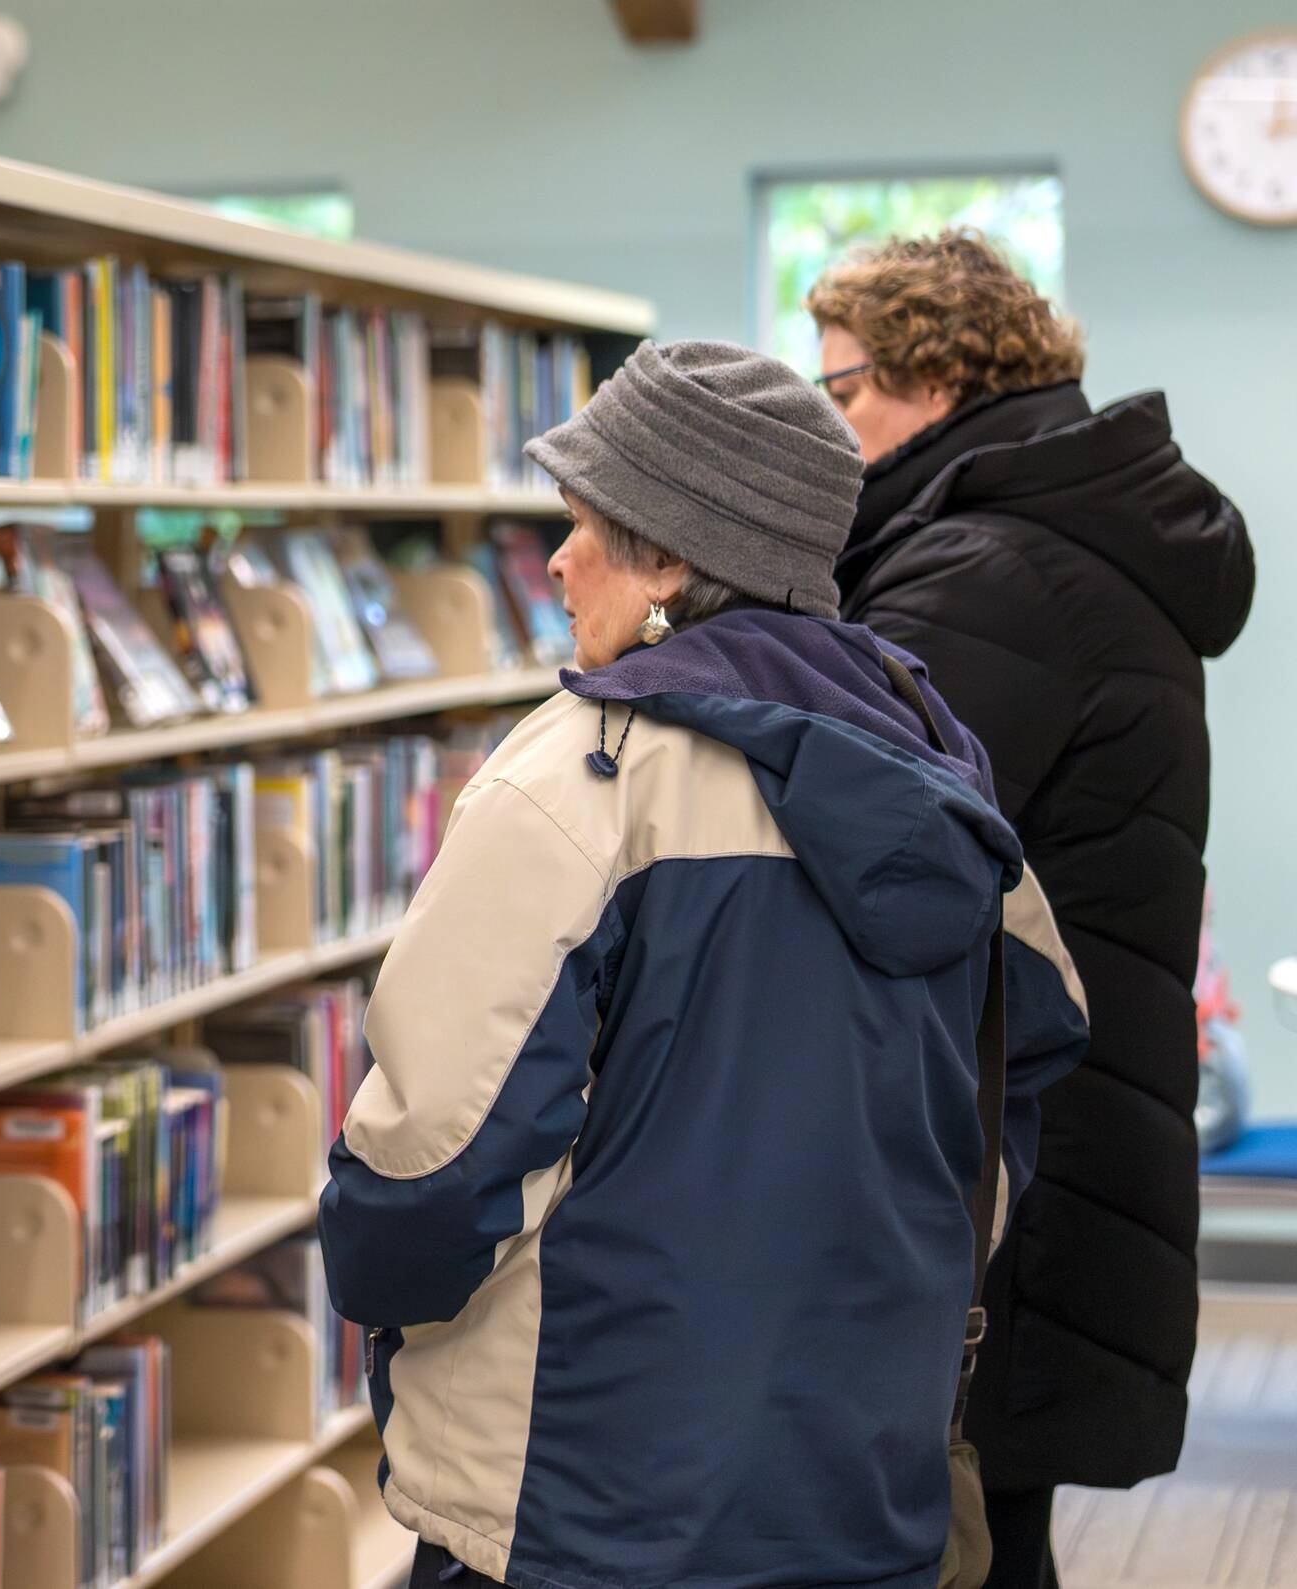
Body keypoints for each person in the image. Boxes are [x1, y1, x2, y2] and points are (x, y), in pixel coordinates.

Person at [316, 340, 1089, 1589]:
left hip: (580, 1491)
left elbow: (427, 1168)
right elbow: (1025, 1051)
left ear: (672, 554)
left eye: (581, 524)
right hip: (855, 1477)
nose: (554, 561)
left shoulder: (579, 778)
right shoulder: (937, 767)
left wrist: (382, 1294)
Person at [809, 232, 1255, 1587]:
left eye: (841, 393)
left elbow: (853, 829)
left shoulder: (988, 568)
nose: (832, 430)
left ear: (933, 375)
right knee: (994, 1526)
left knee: (964, 1533)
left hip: (1000, 1137)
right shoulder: (1060, 531)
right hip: (1056, 1117)